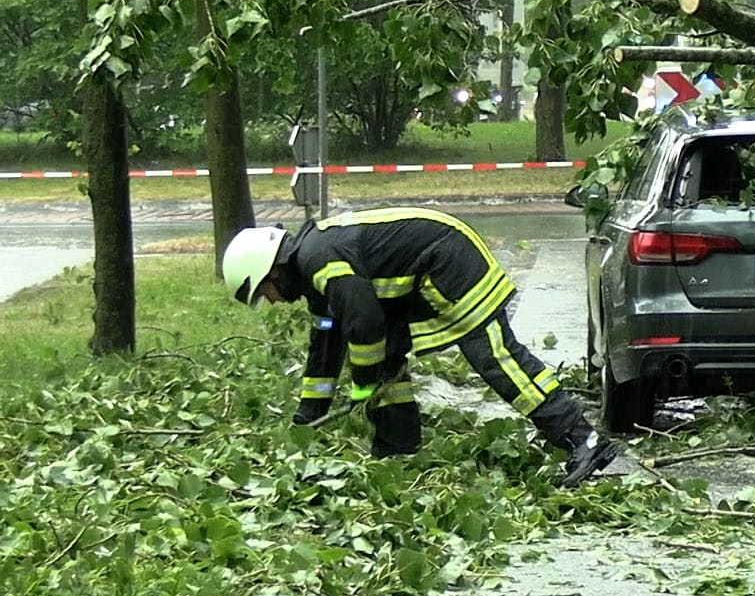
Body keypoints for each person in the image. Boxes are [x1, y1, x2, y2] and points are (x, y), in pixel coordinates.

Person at [221, 208, 621, 487]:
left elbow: (364, 321)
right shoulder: (316, 278)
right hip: (421, 276)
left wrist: (363, 381)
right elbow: (325, 344)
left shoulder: (320, 261)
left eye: (266, 291)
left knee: (493, 355)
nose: (272, 299)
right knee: (389, 359)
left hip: (449, 261)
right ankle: (396, 448)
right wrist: (308, 417)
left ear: (270, 269)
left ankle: (581, 438)